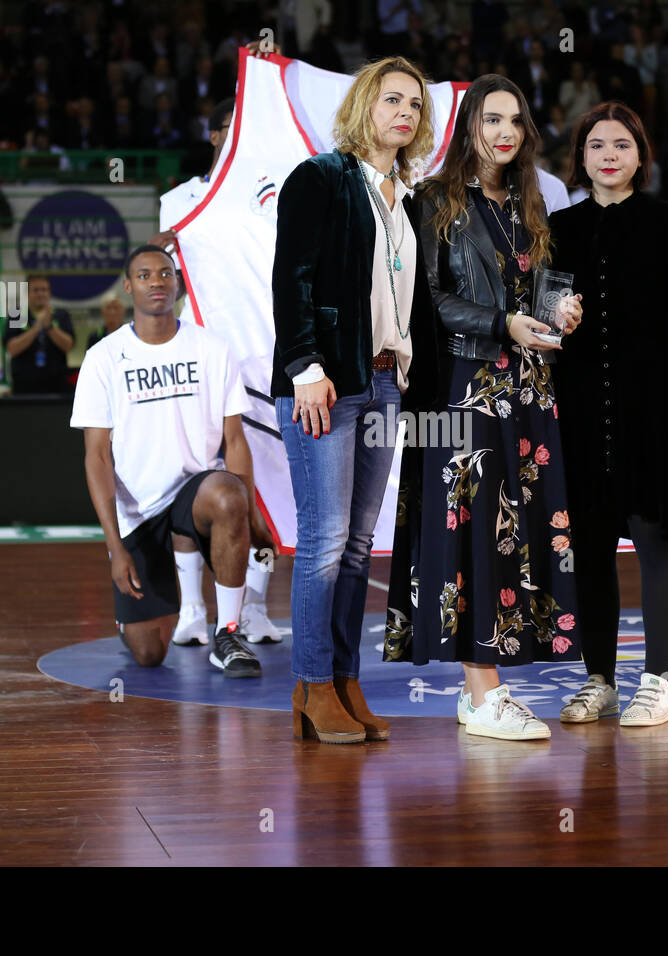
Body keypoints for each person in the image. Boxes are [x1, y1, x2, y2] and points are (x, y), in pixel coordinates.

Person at [383, 74, 583, 742]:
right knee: (473, 531)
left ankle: (487, 695)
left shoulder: (529, 201)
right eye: (491, 119)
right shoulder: (435, 200)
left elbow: (538, 290)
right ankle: (480, 691)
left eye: (516, 121)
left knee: (515, 532)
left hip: (528, 389)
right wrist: (505, 324)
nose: (505, 132)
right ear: (468, 125)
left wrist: (560, 310)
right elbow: (430, 302)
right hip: (465, 388)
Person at [272, 56, 441, 744]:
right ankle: (312, 687)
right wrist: (304, 364)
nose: (405, 112)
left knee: (358, 546)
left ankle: (344, 681)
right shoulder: (319, 178)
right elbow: (293, 279)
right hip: (328, 382)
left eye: (415, 105)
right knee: (323, 542)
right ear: (364, 105)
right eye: (392, 99)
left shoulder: (407, 192)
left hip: (382, 383)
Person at [548, 100, 668, 726]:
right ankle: (599, 680)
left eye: (620, 144)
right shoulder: (558, 227)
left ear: (640, 154)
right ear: (580, 158)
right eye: (596, 146)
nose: (608, 155)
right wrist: (557, 319)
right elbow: (549, 313)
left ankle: (660, 683)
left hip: (656, 406)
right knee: (588, 548)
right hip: (581, 407)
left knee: (655, 540)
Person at [71, 244, 271, 675]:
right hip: (138, 514)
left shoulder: (212, 348)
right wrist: (115, 547)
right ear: (128, 287)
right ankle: (136, 617)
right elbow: (97, 459)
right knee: (149, 654)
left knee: (227, 494)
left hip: (194, 492)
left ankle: (228, 632)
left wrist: (249, 511)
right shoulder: (103, 359)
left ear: (178, 283)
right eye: (144, 275)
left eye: (165, 273)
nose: (156, 282)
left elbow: (235, 440)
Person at [5, 274, 74, 394]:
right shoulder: (17, 315)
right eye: (36, 290)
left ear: (49, 293)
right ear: (27, 293)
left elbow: (68, 346)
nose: (41, 293)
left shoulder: (60, 314)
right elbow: (12, 349)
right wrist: (37, 327)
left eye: (44, 290)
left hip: (56, 383)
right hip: (24, 385)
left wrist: (49, 327)